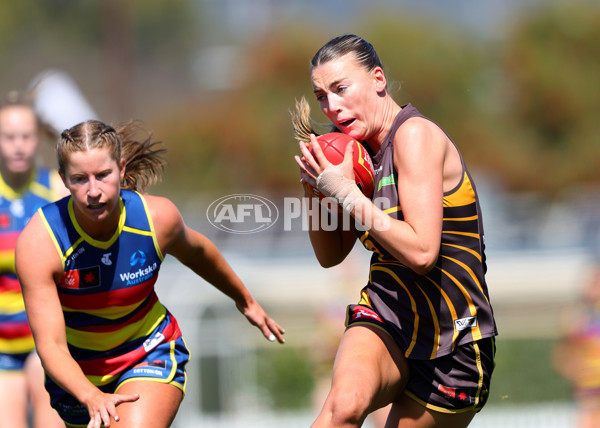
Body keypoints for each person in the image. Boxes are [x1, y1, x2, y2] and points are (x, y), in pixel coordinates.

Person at [15, 119, 285, 428]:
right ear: (63, 179)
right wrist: (91, 395)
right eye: (80, 179)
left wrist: (245, 300)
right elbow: (51, 346)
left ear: (121, 167)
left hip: (147, 351)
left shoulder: (156, 218)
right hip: (77, 375)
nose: (93, 191)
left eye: (103, 175)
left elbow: (199, 252)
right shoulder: (41, 242)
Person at [293, 34, 497, 428]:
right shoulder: (358, 156)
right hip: (388, 315)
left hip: (453, 340)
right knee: (343, 407)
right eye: (321, 97)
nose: (331, 107)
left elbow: (423, 253)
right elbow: (330, 255)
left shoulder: (415, 135)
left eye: (340, 89)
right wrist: (314, 189)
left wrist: (345, 193)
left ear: (378, 79)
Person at [0, 92, 67, 428]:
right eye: (9, 137)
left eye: (26, 136)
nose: (18, 146)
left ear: (38, 137)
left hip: (48, 342)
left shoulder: (58, 191)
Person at [553, 261, 600, 428]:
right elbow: (563, 351)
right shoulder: (577, 315)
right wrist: (573, 371)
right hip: (588, 388)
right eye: (593, 282)